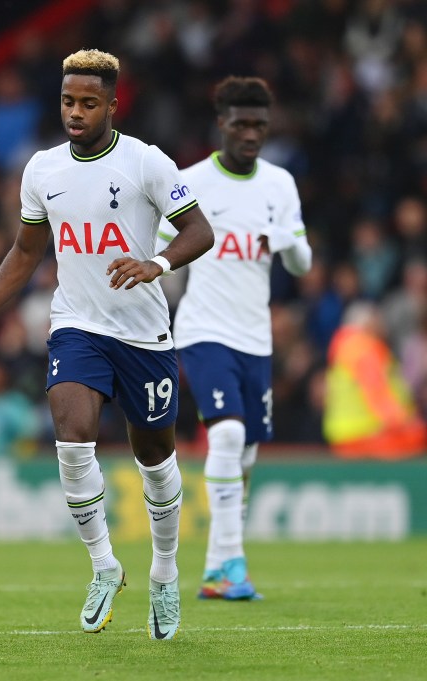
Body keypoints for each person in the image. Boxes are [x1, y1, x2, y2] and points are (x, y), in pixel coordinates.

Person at [0, 49, 214, 640]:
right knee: (71, 438)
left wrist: (156, 263)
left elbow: (200, 232)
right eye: (67, 102)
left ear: (111, 104)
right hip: (77, 325)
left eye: (87, 103)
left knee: (156, 462)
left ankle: (163, 572)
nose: (74, 113)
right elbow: (27, 251)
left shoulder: (146, 163)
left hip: (144, 335)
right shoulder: (42, 170)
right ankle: (105, 566)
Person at [157, 76, 312, 601]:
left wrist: (289, 241)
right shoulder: (191, 180)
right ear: (220, 122)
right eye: (241, 123)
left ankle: (221, 567)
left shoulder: (280, 184)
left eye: (259, 125)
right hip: (203, 330)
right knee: (224, 436)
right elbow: (161, 251)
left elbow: (302, 261)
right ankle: (228, 567)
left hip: (256, 338)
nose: (251, 133)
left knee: (244, 454)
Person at [323, 301, 427, 458]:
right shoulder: (365, 349)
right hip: (366, 435)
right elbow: (378, 394)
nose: (383, 326)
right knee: (419, 435)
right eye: (378, 320)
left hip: (344, 434)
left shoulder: (345, 347)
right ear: (369, 323)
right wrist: (406, 422)